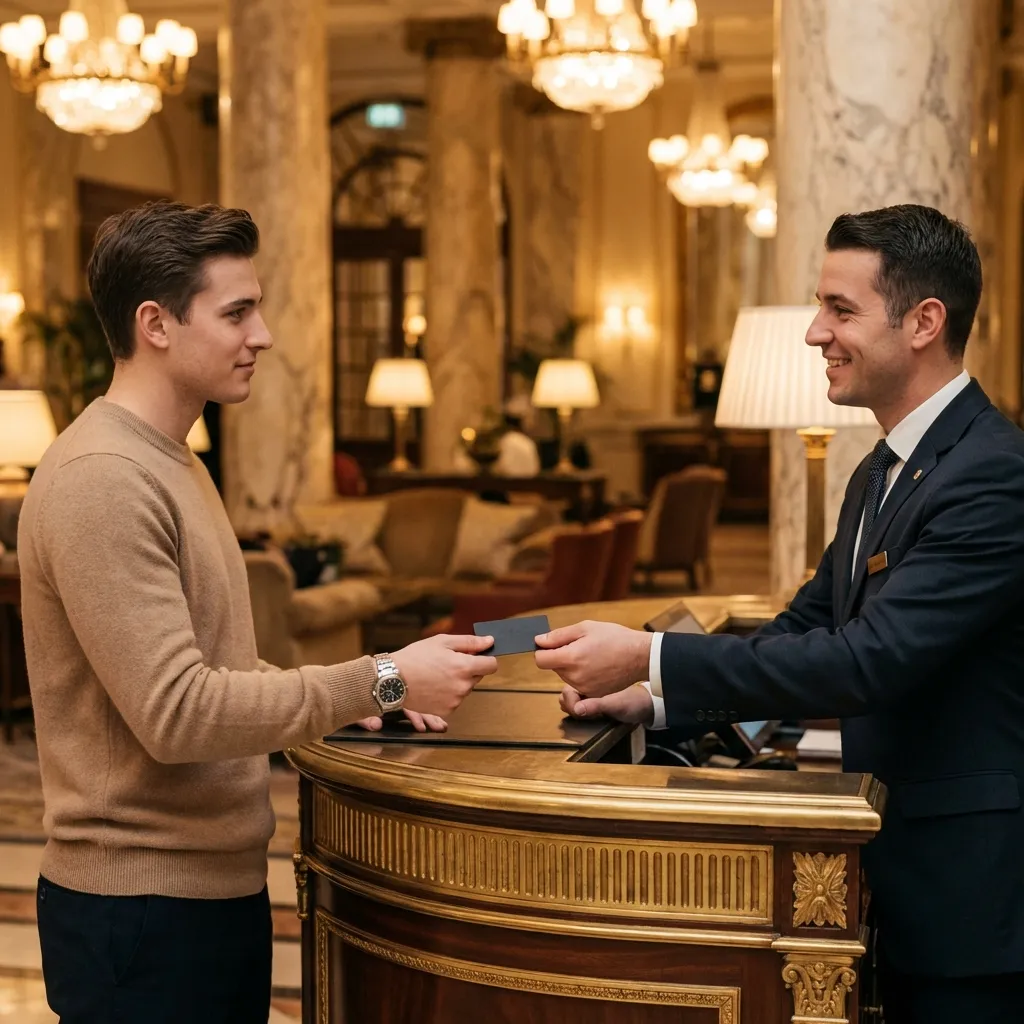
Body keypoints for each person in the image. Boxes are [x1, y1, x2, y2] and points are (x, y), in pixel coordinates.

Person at [534, 204, 1024, 1023]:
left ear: (923, 323)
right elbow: (805, 628)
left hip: (971, 897)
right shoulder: (881, 468)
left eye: (839, 309)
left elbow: (866, 661)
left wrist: (647, 655)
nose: (813, 332)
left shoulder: (990, 475)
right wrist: (654, 699)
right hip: (907, 880)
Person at [18, 201, 498, 1024]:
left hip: (205, 894)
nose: (264, 335)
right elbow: (177, 714)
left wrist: (374, 700)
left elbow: (218, 668)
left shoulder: (173, 460)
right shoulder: (102, 477)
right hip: (140, 914)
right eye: (237, 311)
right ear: (155, 324)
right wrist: (380, 676)